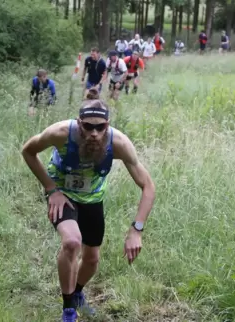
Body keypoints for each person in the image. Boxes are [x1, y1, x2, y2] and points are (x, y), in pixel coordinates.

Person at [21, 99, 155, 322]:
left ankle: (77, 292)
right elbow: (28, 151)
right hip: (62, 194)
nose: (94, 133)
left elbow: (148, 187)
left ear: (108, 125)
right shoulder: (60, 133)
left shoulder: (119, 143)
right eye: (88, 126)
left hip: (93, 199)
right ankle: (68, 310)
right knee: (72, 242)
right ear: (78, 123)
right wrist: (51, 188)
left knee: (92, 261)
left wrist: (136, 229)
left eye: (100, 127)